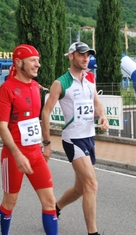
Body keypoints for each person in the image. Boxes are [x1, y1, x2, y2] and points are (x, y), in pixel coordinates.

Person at [41, 42, 109, 235]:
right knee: (91, 184)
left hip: (89, 138)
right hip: (73, 140)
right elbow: (45, 113)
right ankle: (92, 232)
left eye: (88, 55)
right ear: (71, 56)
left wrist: (102, 115)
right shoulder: (61, 83)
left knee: (80, 188)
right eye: (81, 55)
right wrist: (46, 142)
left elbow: (96, 102)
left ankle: (55, 208)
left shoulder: (90, 78)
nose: (85, 58)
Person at [0, 44, 58, 235]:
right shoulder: (7, 89)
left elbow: (35, 120)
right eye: (33, 60)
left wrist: (45, 144)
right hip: (13, 156)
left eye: (38, 60)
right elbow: (1, 126)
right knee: (10, 201)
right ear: (18, 62)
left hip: (35, 153)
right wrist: (17, 154)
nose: (38, 64)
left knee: (49, 201)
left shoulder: (35, 87)